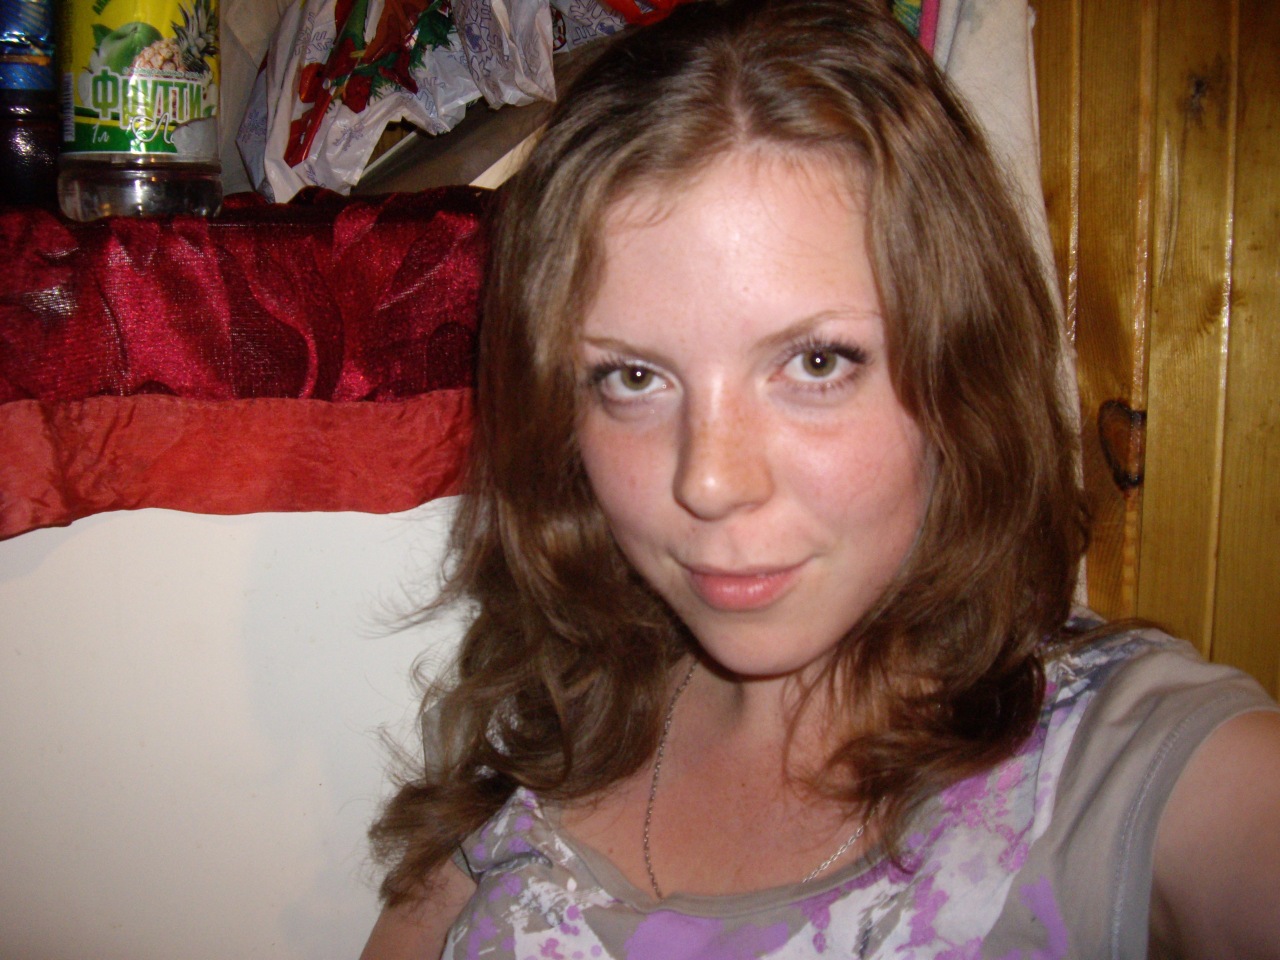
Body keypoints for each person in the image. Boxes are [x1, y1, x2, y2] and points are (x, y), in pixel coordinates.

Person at [361, 1, 1280, 957]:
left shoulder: (1129, 770)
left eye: (815, 363)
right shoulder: (552, 732)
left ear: (961, 371)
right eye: (632, 377)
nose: (710, 482)